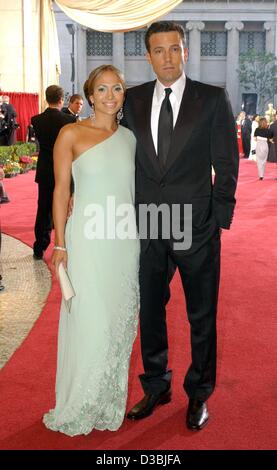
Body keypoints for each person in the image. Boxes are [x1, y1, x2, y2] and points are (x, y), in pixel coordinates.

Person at [123, 21, 239, 430]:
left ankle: (199, 393)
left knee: (201, 315)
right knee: (150, 311)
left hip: (197, 226)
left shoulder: (211, 99)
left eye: (175, 49)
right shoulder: (132, 101)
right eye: (159, 50)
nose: (168, 57)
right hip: (148, 226)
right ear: (148, 55)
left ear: (184, 51)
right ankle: (156, 385)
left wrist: (218, 219)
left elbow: (226, 162)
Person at [43, 65, 140, 436]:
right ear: (89, 94)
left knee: (118, 321)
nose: (110, 95)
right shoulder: (71, 133)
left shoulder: (130, 139)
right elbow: (60, 191)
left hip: (124, 241)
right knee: (89, 319)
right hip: (87, 239)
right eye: (102, 89)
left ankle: (107, 400)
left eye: (117, 88)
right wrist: (60, 242)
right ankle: (79, 401)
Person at [31, 85, 75, 260]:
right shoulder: (69, 121)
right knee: (66, 208)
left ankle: (39, 247)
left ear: (46, 99)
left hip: (44, 170)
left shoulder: (36, 119)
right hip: (64, 169)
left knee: (43, 208)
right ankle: (66, 244)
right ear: (61, 99)